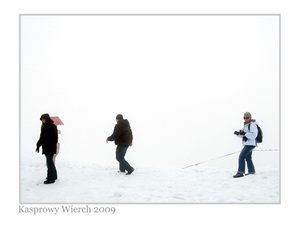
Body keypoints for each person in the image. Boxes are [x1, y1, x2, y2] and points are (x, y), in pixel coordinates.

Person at [233, 112, 259, 178]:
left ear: (250, 117)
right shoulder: (246, 125)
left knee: (241, 157)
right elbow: (242, 135)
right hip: (248, 143)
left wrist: (245, 133)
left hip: (250, 144)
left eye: (247, 118)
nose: (245, 119)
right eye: (244, 118)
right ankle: (251, 172)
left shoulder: (252, 125)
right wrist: (238, 133)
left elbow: (253, 135)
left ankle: (240, 172)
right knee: (248, 158)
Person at [36, 114, 58, 184]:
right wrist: (38, 145)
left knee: (49, 162)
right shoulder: (43, 127)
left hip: (50, 147)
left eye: (43, 119)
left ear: (47, 119)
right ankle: (54, 176)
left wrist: (52, 146)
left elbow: (55, 138)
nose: (42, 121)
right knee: (50, 161)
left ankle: (50, 178)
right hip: (45, 147)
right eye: (42, 120)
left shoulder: (53, 126)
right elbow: (41, 137)